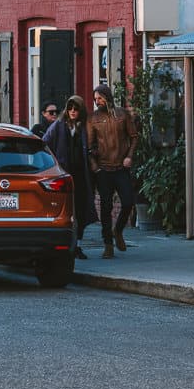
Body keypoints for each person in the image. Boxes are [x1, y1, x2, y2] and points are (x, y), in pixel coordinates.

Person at [42, 96, 96, 259]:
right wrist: (53, 164)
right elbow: (44, 144)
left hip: (81, 176)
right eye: (70, 108)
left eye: (76, 108)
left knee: (80, 210)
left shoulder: (84, 127)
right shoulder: (58, 125)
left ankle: (78, 245)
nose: (73, 111)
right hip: (63, 176)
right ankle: (66, 246)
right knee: (65, 212)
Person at [87, 83, 138, 257]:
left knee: (128, 202)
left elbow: (134, 137)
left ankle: (118, 231)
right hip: (103, 169)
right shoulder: (92, 118)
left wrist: (129, 156)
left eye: (100, 98)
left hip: (120, 167)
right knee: (106, 207)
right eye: (95, 99)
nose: (97, 101)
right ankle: (107, 243)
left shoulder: (122, 114)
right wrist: (95, 166)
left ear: (107, 96)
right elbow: (89, 145)